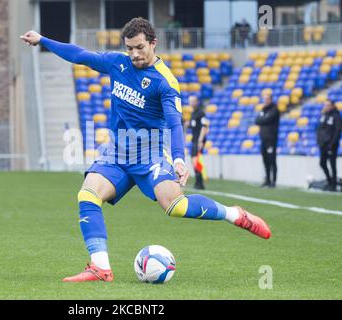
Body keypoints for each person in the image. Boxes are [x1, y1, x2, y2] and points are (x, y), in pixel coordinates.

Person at [20, 17, 271, 283]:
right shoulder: (118, 63)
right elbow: (80, 54)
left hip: (150, 155)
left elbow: (175, 124)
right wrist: (43, 40)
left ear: (153, 43)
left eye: (139, 47)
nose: (134, 54)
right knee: (88, 195)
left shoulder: (165, 82)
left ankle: (234, 214)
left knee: (176, 206)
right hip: (116, 153)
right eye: (129, 48)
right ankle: (100, 267)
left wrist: (178, 160)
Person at [255, 93, 280, 188]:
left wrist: (263, 119)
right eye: (264, 99)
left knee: (272, 160)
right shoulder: (263, 109)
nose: (265, 101)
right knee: (265, 161)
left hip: (271, 139)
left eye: (267, 99)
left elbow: (266, 120)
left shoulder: (274, 109)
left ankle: (273, 181)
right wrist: (263, 119)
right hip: (263, 139)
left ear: (270, 100)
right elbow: (257, 120)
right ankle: (267, 180)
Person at [317, 99, 341, 191]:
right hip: (323, 144)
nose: (325, 107)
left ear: (332, 106)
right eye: (325, 105)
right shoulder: (323, 115)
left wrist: (332, 143)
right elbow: (319, 129)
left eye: (327, 105)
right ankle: (329, 181)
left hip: (331, 145)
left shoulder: (336, 116)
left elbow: (337, 130)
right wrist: (319, 141)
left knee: (332, 164)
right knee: (322, 163)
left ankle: (334, 184)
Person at [186, 96, 209, 190]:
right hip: (194, 139)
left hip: (199, 139)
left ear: (197, 102)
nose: (191, 103)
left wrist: (200, 140)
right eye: (190, 101)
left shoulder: (201, 113)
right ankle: (197, 181)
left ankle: (200, 183)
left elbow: (204, 126)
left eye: (193, 101)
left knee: (196, 159)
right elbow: (193, 126)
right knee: (193, 160)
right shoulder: (193, 113)